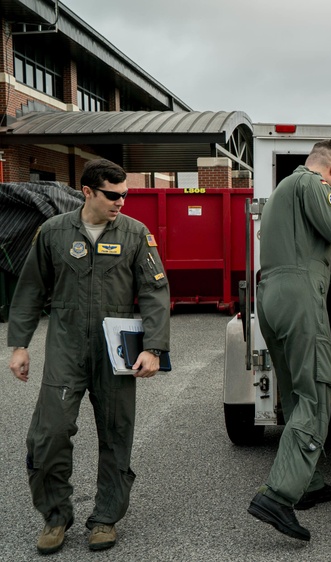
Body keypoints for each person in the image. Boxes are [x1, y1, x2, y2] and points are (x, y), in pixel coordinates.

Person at [7, 158, 170, 555]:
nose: (121, 202)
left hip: (115, 351)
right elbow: (30, 289)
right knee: (50, 434)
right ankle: (56, 517)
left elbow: (154, 292)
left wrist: (153, 348)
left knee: (116, 434)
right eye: (113, 195)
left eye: (125, 195)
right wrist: (20, 344)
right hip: (65, 347)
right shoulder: (53, 232)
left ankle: (104, 519)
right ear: (87, 192)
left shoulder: (135, 234)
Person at [246, 140, 331, 541]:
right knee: (315, 392)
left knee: (296, 392)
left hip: (273, 297)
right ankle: (278, 496)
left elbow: (295, 258)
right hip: (298, 303)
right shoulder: (315, 184)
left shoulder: (283, 190)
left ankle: (307, 484)